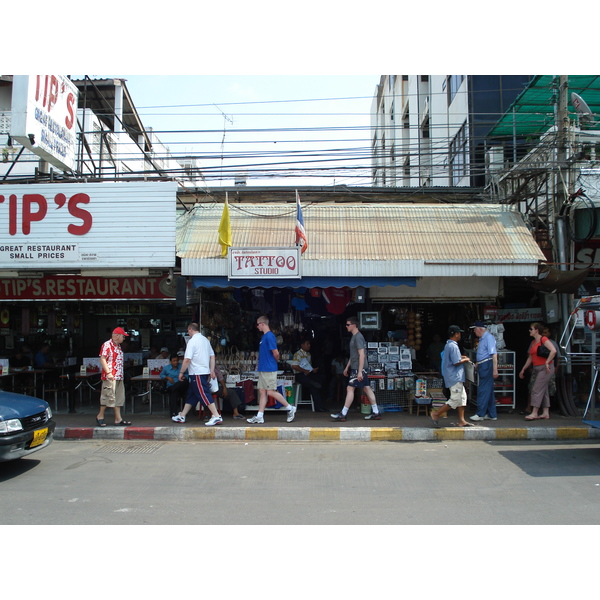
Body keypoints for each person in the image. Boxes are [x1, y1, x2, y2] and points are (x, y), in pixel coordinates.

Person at [247, 316, 297, 424]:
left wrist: (274, 361)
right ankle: (260, 415)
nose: (257, 326)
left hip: (269, 368)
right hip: (264, 368)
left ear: (263, 324)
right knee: (262, 391)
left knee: (270, 392)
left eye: (258, 324)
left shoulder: (269, 337)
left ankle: (290, 408)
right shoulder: (265, 337)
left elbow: (276, 353)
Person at [172, 322, 223, 426]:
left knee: (203, 393)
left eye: (188, 331)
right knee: (192, 394)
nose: (188, 333)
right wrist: (212, 370)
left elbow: (187, 359)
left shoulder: (192, 342)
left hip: (197, 373)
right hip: (204, 372)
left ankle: (216, 416)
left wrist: (181, 372)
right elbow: (212, 356)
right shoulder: (205, 340)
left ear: (190, 329)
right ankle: (182, 415)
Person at [331, 316, 381, 422]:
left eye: (348, 325)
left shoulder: (358, 337)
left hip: (359, 368)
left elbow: (361, 355)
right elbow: (354, 355)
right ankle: (376, 412)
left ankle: (343, 413)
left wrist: (359, 371)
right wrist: (347, 367)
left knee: (350, 389)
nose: (346, 327)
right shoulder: (355, 337)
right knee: (366, 388)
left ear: (354, 325)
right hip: (357, 367)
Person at [430, 325, 474, 427]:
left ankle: (461, 421)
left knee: (462, 398)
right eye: (459, 333)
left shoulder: (448, 345)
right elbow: (456, 362)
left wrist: (461, 357)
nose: (460, 335)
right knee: (455, 399)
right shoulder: (453, 346)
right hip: (454, 377)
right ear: (456, 334)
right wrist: (466, 359)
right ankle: (436, 414)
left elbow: (449, 357)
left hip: (453, 376)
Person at [518, 322, 556, 420]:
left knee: (536, 389)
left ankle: (534, 412)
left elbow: (553, 351)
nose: (530, 331)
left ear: (536, 330)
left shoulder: (543, 339)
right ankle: (545, 412)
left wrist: (547, 362)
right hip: (537, 367)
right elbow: (530, 357)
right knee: (544, 390)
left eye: (531, 329)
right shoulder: (533, 342)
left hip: (545, 368)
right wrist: (523, 369)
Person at [96, 327, 132, 427]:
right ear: (117, 335)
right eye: (123, 336)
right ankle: (100, 415)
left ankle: (118, 418)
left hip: (119, 375)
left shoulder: (118, 346)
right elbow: (102, 359)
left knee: (118, 397)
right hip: (110, 375)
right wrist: (108, 373)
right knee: (107, 396)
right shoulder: (107, 345)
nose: (124, 338)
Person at [469, 320, 499, 422]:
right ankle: (492, 414)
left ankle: (480, 414)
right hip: (483, 364)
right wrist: (477, 363)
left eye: (475, 329)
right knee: (488, 390)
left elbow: (494, 354)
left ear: (480, 329)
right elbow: (483, 353)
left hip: (487, 364)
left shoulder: (488, 338)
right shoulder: (483, 338)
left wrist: (495, 369)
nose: (474, 332)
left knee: (482, 389)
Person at [291, 339, 327, 412]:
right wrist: (304, 371)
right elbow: (294, 366)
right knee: (313, 384)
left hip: (307, 374)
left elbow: (308, 367)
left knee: (315, 384)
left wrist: (312, 370)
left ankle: (319, 406)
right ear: (302, 345)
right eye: (307, 344)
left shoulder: (308, 354)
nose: (309, 345)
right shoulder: (298, 354)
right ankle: (319, 407)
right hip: (299, 375)